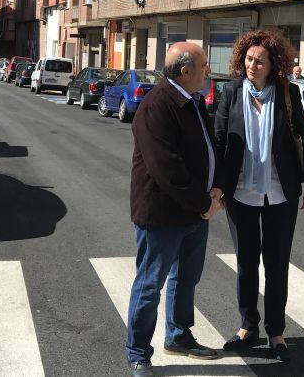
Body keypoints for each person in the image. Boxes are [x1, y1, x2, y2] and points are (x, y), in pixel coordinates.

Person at [214, 28, 304, 362]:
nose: (252, 65)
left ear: (275, 64)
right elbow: (219, 141)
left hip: (280, 193)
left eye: (260, 61)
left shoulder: (288, 94)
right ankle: (248, 325)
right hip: (241, 193)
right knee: (246, 263)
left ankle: (276, 331)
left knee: (276, 265)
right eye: (248, 59)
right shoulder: (230, 93)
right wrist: (216, 188)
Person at [125, 42, 224, 377]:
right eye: (204, 65)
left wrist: (217, 190)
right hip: (162, 214)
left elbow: (209, 149)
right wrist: (205, 204)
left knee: (185, 279)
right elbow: (166, 169)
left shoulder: (193, 102)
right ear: (186, 72)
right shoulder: (157, 105)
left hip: (195, 213)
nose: (208, 71)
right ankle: (138, 353)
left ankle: (179, 336)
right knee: (150, 284)